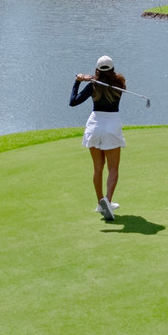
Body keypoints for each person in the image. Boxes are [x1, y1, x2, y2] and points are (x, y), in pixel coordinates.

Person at [70, 54, 127, 220]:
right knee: (113, 168)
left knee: (98, 167)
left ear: (97, 70)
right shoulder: (120, 82)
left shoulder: (93, 85)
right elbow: (115, 81)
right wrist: (92, 80)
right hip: (112, 125)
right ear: (112, 69)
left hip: (94, 126)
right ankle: (107, 201)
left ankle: (100, 202)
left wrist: (79, 81)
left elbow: (73, 102)